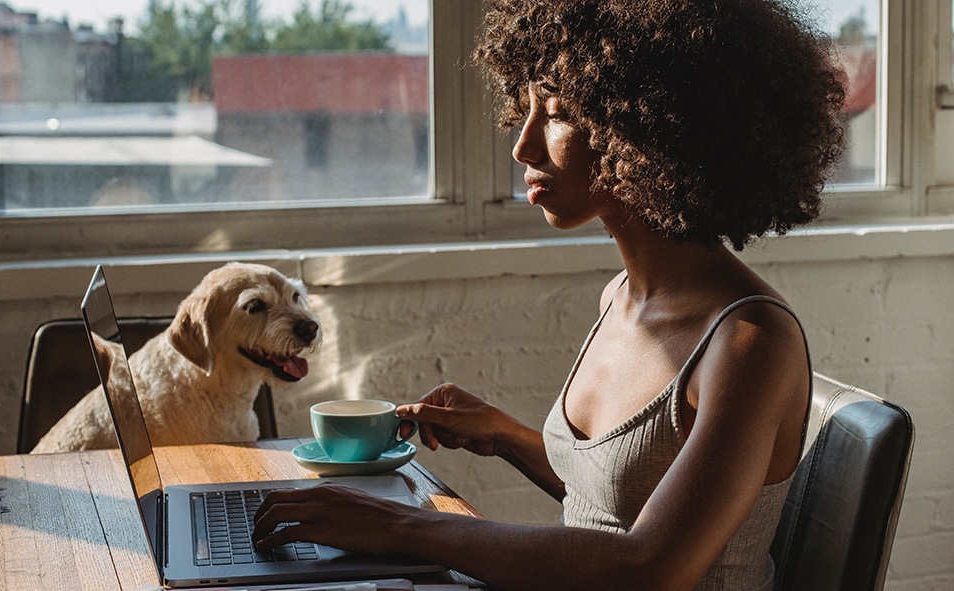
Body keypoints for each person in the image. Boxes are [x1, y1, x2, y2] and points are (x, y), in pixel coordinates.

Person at [252, 0, 846, 589]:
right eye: (526, 108)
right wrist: (505, 436)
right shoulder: (620, 298)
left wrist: (401, 527)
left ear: (654, 122)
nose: (524, 146)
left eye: (557, 112)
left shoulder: (751, 343)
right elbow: (614, 508)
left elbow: (649, 569)